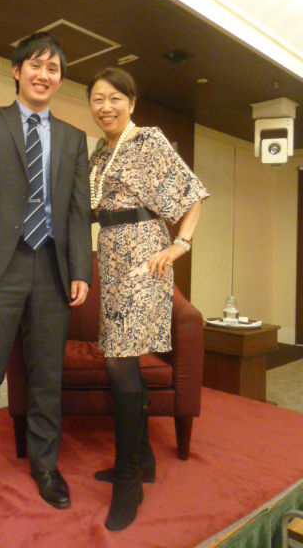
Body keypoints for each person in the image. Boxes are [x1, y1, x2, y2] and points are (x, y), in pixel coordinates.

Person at [0, 32, 92, 522]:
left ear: (60, 80)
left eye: (53, 69)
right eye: (35, 65)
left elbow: (78, 211)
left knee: (47, 376)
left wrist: (81, 270)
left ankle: (46, 467)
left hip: (52, 267)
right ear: (17, 71)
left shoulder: (73, 138)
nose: (43, 75)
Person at [87, 67, 208, 531]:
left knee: (120, 362)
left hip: (144, 259)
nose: (106, 107)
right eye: (97, 99)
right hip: (112, 259)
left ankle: (128, 480)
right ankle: (144, 462)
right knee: (120, 362)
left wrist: (181, 245)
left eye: (115, 98)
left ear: (132, 102)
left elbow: (192, 195)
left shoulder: (149, 140)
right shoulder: (101, 151)